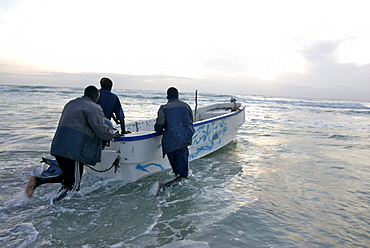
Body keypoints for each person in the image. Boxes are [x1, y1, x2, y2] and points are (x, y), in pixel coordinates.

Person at [25, 86, 121, 199]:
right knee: (74, 186)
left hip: (58, 145)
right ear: (94, 96)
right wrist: (113, 135)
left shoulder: (71, 104)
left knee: (67, 178)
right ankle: (59, 208)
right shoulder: (94, 108)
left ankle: (39, 183)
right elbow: (100, 130)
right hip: (73, 150)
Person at [154, 87, 195, 181]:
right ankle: (182, 180)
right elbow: (190, 122)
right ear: (178, 96)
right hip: (183, 141)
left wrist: (157, 129)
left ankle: (174, 182)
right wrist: (189, 137)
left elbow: (160, 124)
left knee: (176, 170)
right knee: (184, 171)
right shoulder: (186, 106)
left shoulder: (164, 108)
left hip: (170, 142)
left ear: (167, 96)